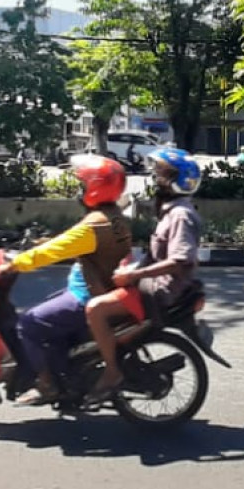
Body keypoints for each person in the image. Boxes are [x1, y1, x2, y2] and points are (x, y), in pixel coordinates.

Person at [0, 155, 132, 406]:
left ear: (95, 187)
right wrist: (39, 242)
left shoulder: (95, 226)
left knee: (29, 322)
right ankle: (67, 371)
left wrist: (15, 263)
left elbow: (55, 251)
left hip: (88, 295)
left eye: (83, 185)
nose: (79, 191)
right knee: (48, 312)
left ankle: (46, 383)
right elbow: (68, 241)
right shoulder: (111, 215)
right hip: (96, 286)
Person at [83, 147, 203, 404]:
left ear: (177, 180)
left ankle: (113, 373)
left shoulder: (181, 215)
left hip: (159, 290)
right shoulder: (171, 210)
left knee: (95, 309)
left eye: (162, 173)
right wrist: (131, 267)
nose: (155, 177)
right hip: (152, 282)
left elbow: (180, 261)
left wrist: (135, 274)